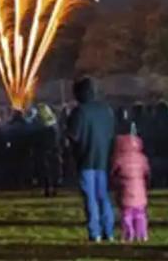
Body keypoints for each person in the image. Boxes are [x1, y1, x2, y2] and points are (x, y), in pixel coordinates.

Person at [68, 76, 116, 243]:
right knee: (103, 196)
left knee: (90, 198)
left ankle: (94, 232)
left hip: (85, 160)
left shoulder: (79, 112)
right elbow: (112, 133)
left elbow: (73, 136)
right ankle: (108, 231)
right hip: (103, 159)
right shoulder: (106, 110)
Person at [110, 133, 150, 243]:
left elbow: (113, 172)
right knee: (140, 214)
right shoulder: (142, 158)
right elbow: (147, 172)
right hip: (140, 192)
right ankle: (142, 234)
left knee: (127, 215)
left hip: (125, 192)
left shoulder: (120, 159)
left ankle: (129, 234)